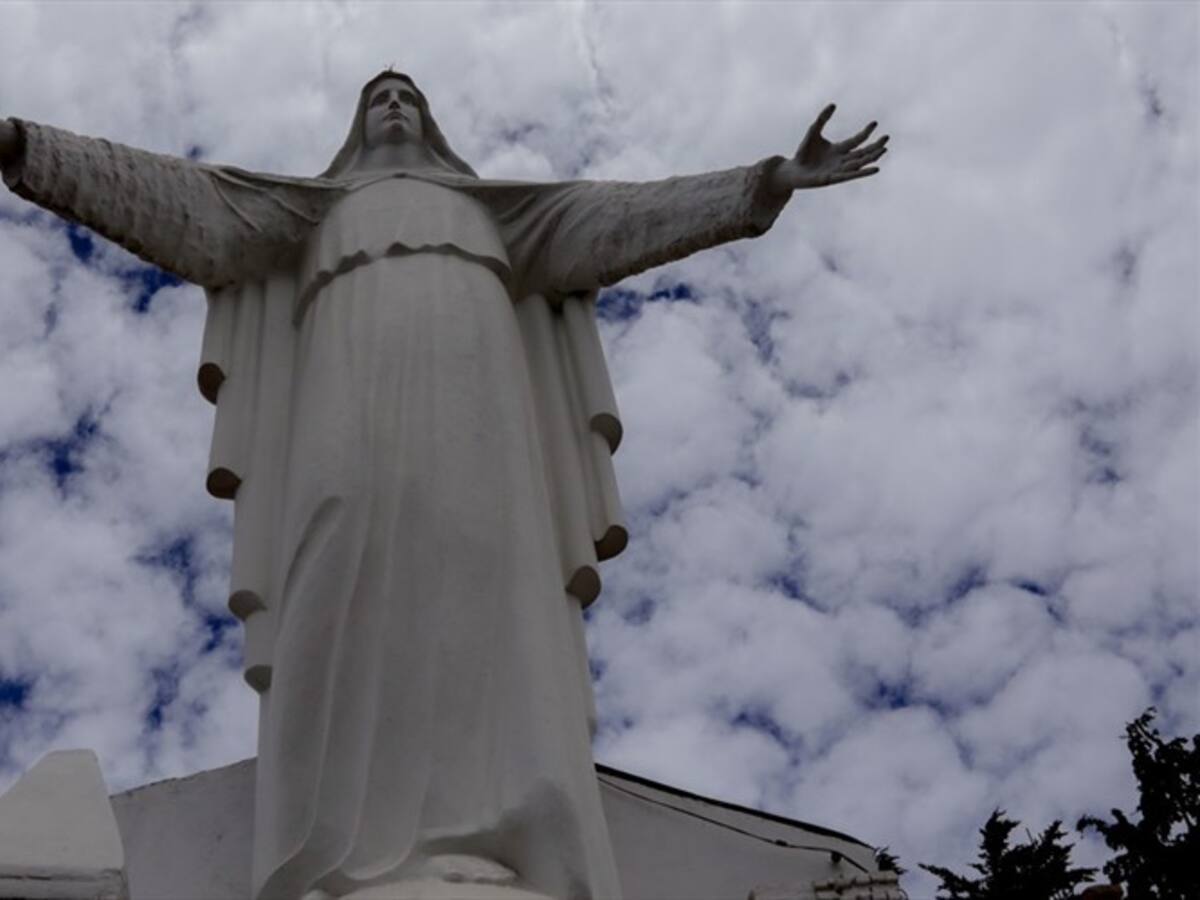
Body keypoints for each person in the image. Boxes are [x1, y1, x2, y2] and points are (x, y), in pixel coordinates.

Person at [0, 71, 887, 900]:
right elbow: (184, 201)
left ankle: (492, 832)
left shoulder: (500, 215)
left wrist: (766, 182)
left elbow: (620, 218)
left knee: (482, 564)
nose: (394, 104)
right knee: (338, 545)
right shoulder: (304, 212)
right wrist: (24, 147)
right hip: (346, 378)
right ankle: (337, 846)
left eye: (409, 96)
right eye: (378, 96)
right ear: (356, 127)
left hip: (478, 385)